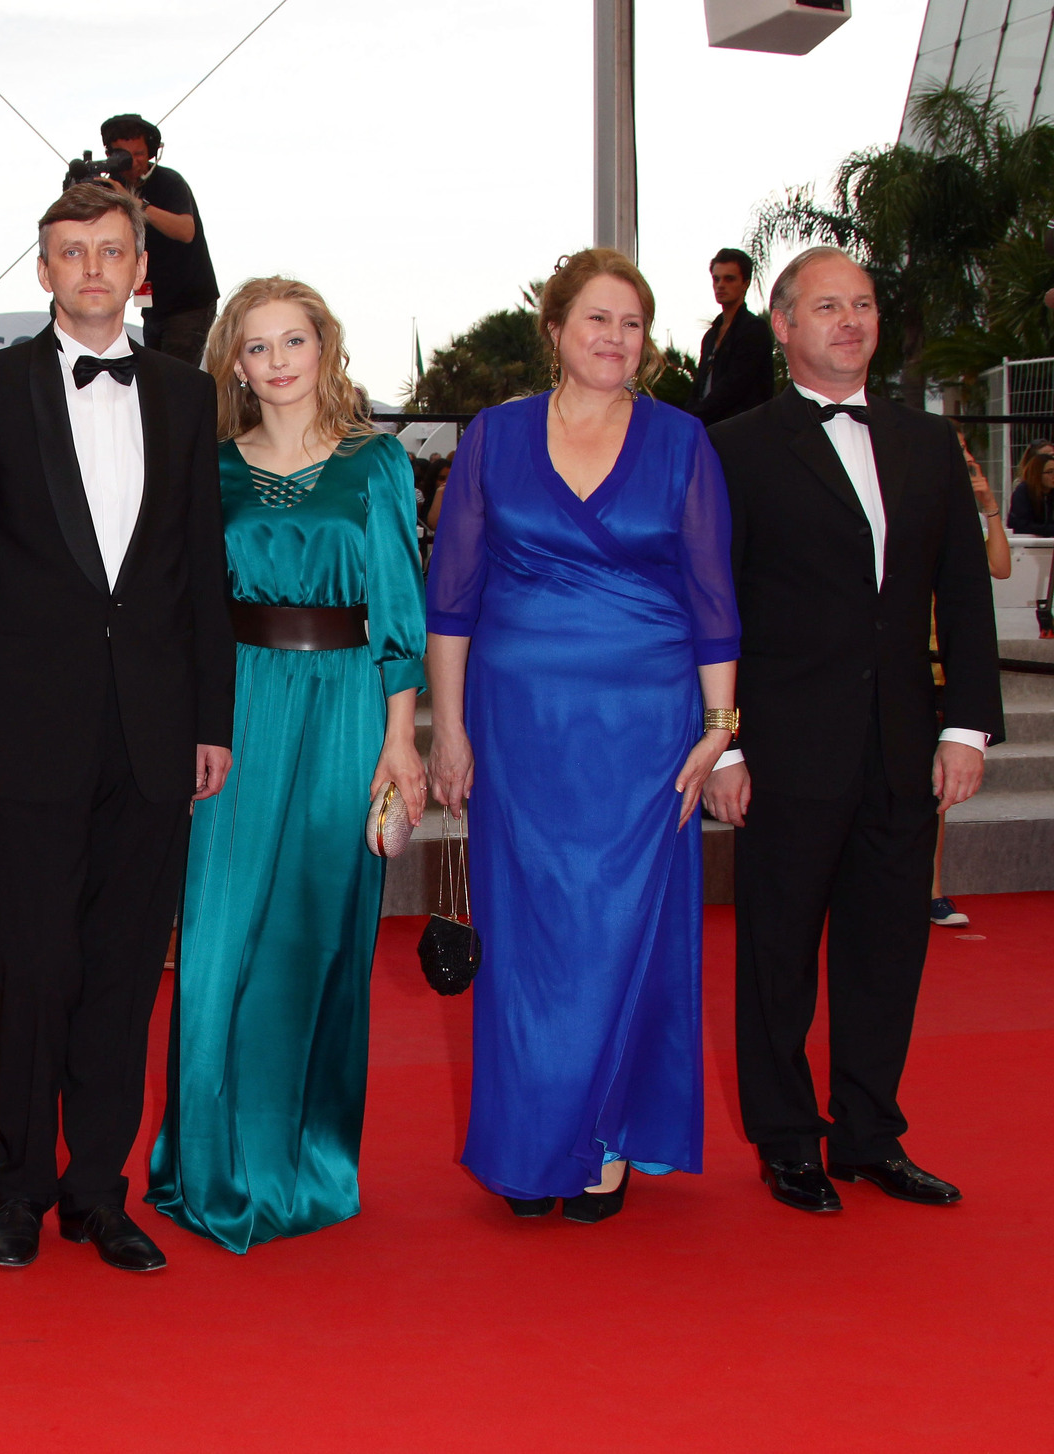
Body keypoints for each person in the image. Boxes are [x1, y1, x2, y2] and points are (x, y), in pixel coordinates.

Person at [0, 183, 235, 1274]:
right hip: (27, 730)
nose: (94, 269)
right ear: (44, 267)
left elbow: (200, 569)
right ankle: (17, 1187)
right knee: (31, 966)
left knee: (119, 972)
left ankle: (97, 1190)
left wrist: (211, 716)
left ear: (138, 268)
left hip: (154, 734)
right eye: (72, 252)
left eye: (112, 251)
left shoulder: (185, 396)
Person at [425, 248, 740, 1223]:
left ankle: (601, 1134)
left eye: (631, 323)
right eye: (595, 319)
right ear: (554, 329)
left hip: (645, 729)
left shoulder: (681, 441)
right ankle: (530, 1143)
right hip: (517, 725)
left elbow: (710, 595)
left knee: (620, 932)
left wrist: (718, 728)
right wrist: (448, 729)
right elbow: (453, 594)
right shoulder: (494, 435)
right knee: (528, 939)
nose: (613, 338)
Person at [704, 246, 1003, 1215]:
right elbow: (710, 606)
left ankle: (869, 1130)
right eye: (825, 305)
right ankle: (788, 1137)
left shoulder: (924, 442)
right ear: (780, 325)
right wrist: (728, 742)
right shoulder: (735, 447)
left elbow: (960, 590)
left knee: (885, 950)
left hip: (901, 742)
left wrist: (963, 724)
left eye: (862, 304)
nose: (848, 320)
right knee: (778, 954)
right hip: (784, 746)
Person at [145, 277, 426, 1253]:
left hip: (347, 707)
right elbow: (186, 608)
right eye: (254, 346)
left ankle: (306, 1161)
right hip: (238, 708)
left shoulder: (376, 462)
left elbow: (399, 607)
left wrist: (402, 737)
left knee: (317, 935)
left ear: (324, 345)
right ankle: (208, 1162)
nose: (275, 362)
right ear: (232, 361)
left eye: (291, 340)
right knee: (218, 939)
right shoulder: (208, 466)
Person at [929, 430, 1011, 929]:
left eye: (965, 455)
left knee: (935, 789)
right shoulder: (915, 501)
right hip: (901, 659)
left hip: (942, 668)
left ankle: (933, 889)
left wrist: (989, 508)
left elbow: (999, 566)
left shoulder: (959, 520)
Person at [101, 114, 218, 367]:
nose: (132, 161)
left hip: (188, 303)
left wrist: (136, 204)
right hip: (153, 306)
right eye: (123, 153)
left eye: (139, 153)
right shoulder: (112, 187)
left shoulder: (169, 182)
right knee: (154, 376)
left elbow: (186, 230)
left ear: (152, 153)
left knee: (172, 377)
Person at [685, 248, 775, 427]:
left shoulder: (754, 329)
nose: (720, 285)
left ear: (745, 283)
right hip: (709, 427)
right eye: (716, 279)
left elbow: (735, 386)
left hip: (743, 429)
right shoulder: (711, 335)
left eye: (729, 278)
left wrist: (694, 417)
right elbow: (700, 387)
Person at [1007, 445, 1054, 536]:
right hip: (1026, 543)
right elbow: (1020, 525)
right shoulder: (1024, 491)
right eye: (1050, 472)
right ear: (1037, 474)